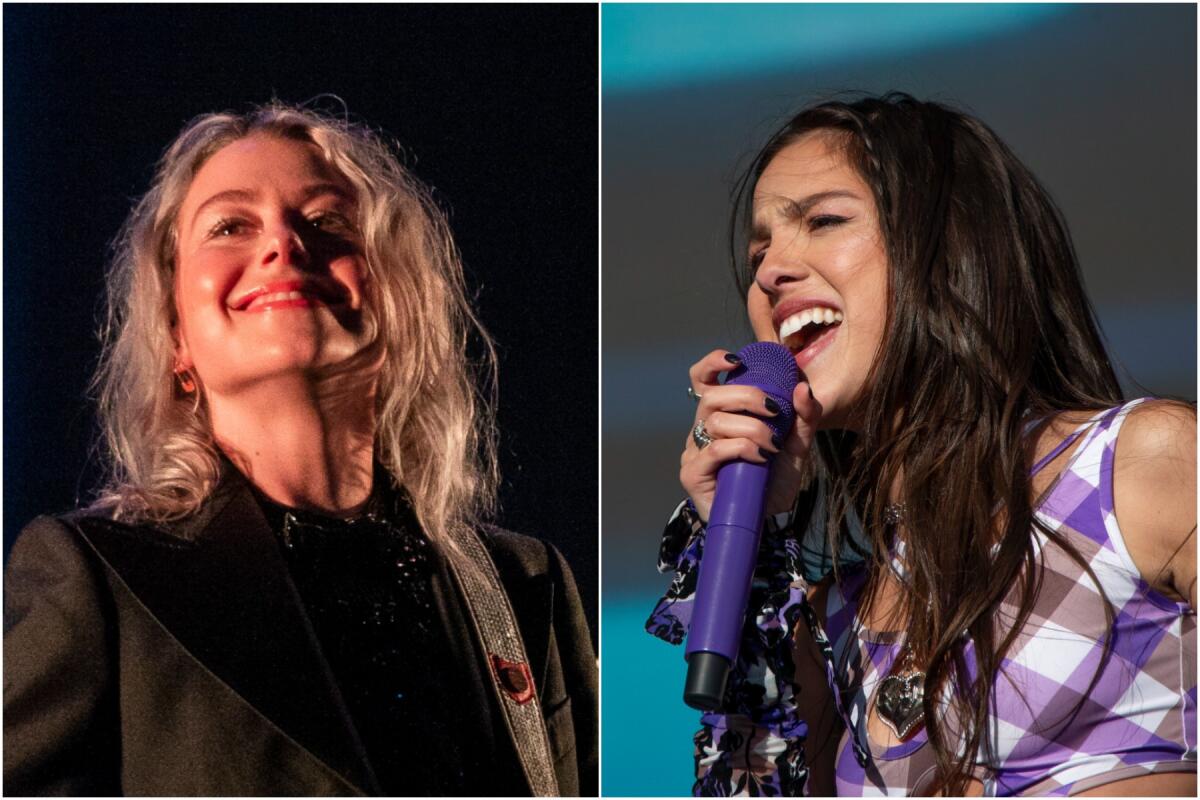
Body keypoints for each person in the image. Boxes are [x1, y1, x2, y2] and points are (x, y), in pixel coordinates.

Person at [4, 102, 597, 797]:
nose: (284, 243)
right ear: (175, 338)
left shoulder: (521, 584)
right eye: (230, 226)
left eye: (328, 222)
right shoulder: (99, 578)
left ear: (400, 301)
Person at [647, 92, 1195, 796]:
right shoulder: (828, 625)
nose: (770, 270)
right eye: (759, 251)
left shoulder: (1142, 464)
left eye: (823, 220)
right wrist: (755, 537)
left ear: (950, 246)